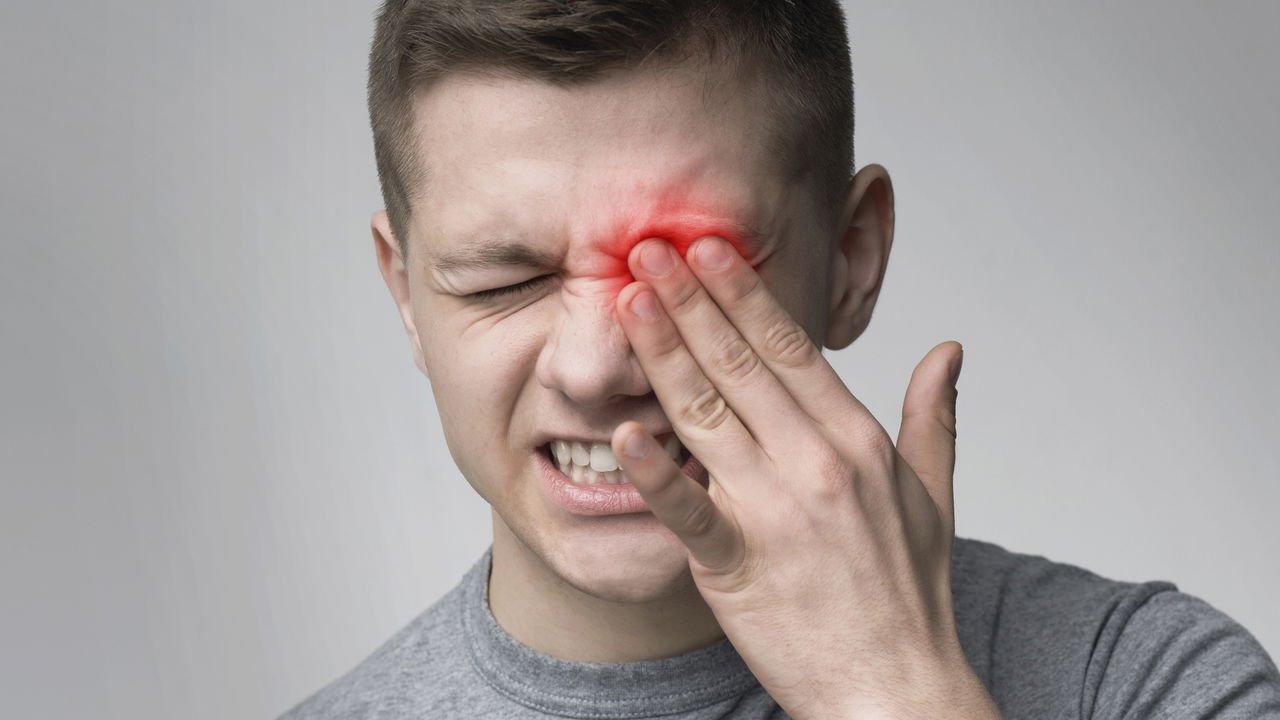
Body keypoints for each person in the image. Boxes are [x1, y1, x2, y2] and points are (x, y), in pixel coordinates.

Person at [280, 1, 1280, 717]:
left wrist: (890, 690)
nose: (593, 369)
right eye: (503, 281)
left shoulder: (1144, 681)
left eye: (686, 271)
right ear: (405, 295)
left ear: (851, 258)